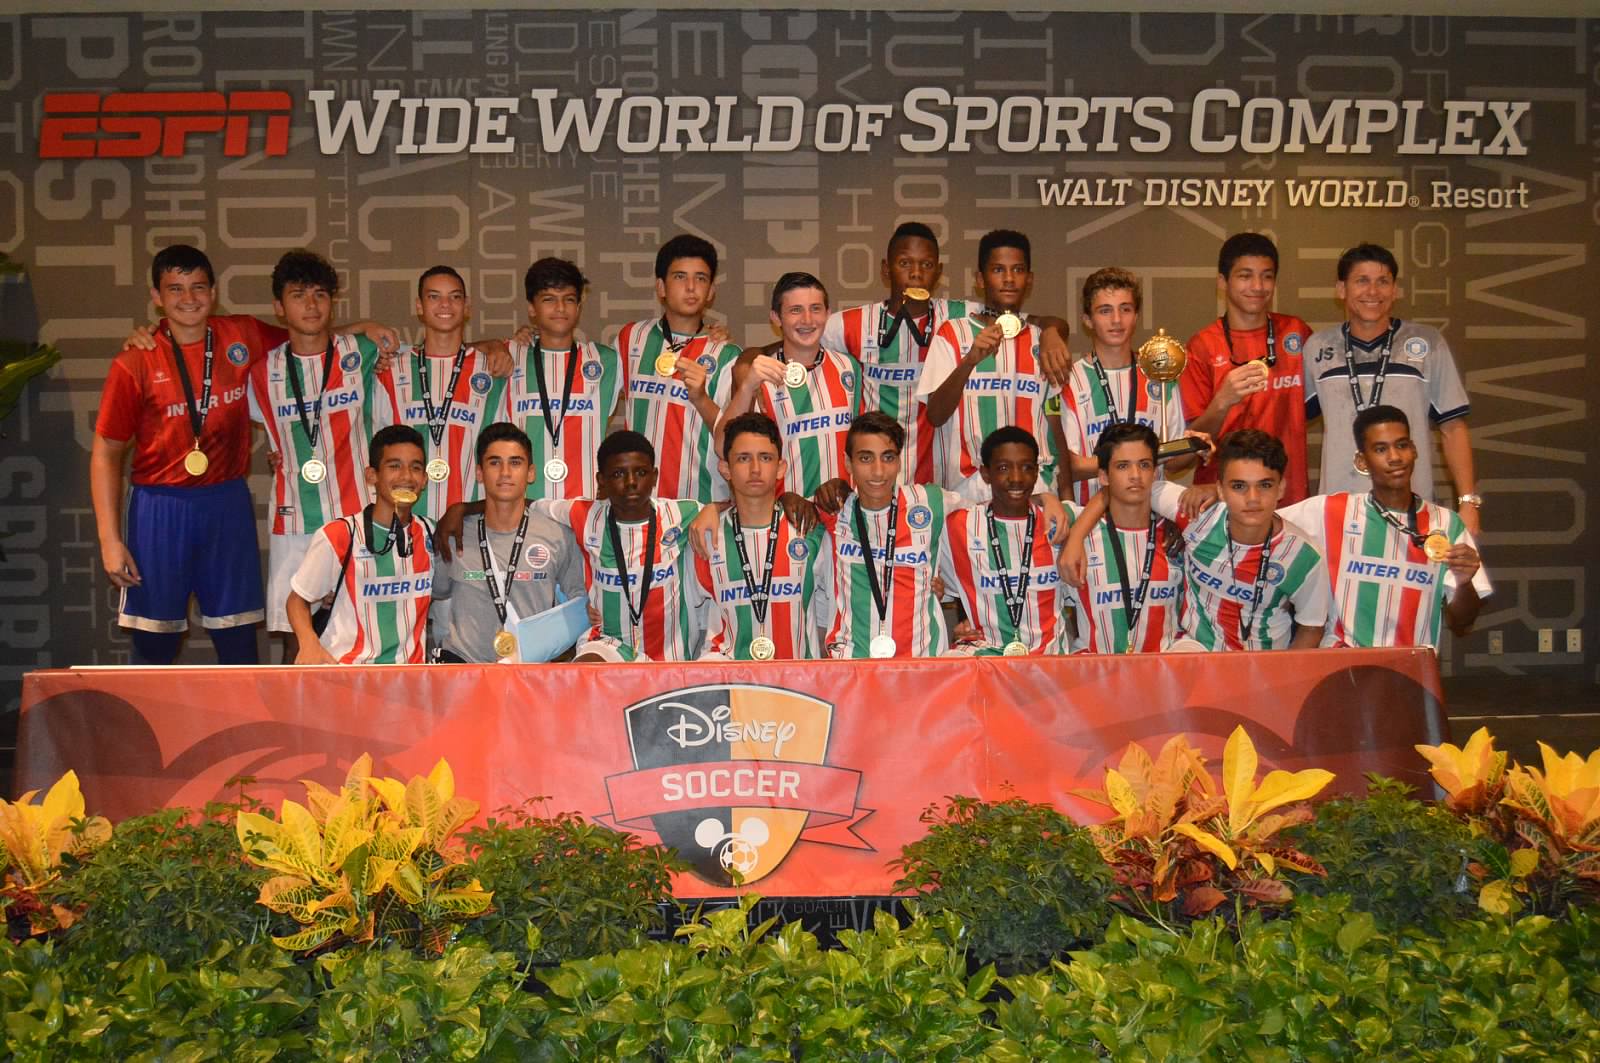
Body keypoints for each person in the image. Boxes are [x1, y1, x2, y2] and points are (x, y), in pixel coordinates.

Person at [91, 244, 290, 664]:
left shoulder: (242, 335)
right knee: (154, 645)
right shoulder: (135, 361)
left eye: (198, 287)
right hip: (159, 508)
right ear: (157, 297)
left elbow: (310, 340)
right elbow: (106, 454)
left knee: (238, 642)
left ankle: (243, 711)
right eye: (175, 289)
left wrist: (364, 329)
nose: (189, 298)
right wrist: (110, 541)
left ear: (213, 292)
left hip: (226, 503)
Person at [1061, 428, 1327, 650]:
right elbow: (1123, 489)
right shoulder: (1196, 515)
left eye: (1265, 485)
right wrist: (1076, 538)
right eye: (1238, 486)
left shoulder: (1305, 557)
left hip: (1265, 669)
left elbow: (1312, 627)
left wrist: (1286, 679)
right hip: (1195, 659)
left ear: (1281, 488)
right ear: (1221, 488)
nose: (1252, 498)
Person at [249, 249, 385, 663]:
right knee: (298, 635)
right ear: (279, 307)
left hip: (355, 514)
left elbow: (436, 351)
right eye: (298, 295)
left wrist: (492, 345)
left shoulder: (364, 352)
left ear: (332, 302)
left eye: (320, 295)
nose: (311, 305)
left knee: (362, 627)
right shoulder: (261, 373)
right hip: (294, 520)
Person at [1304, 242, 1481, 534]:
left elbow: (1453, 427)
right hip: (1340, 512)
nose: (1373, 291)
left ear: (1395, 290)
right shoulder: (1317, 348)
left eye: (1383, 281)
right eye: (1362, 281)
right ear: (1341, 289)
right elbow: (1290, 423)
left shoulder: (1428, 343)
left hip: (1412, 507)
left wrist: (1468, 502)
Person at [1278, 404, 1489, 648]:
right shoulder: (1329, 511)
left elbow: (1463, 623)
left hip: (1411, 667)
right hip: (1343, 665)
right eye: (1380, 449)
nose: (1395, 457)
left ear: (1414, 450)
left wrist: (1464, 582)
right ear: (1362, 461)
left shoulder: (1447, 524)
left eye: (1402, 445)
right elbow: (1258, 521)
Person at [532, 430, 704, 662]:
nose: (631, 482)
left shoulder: (681, 513)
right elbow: (532, 506)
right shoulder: (584, 514)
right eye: (618, 474)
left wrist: (713, 510)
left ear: (654, 476)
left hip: (670, 655)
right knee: (585, 669)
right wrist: (478, 507)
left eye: (641, 473)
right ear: (601, 480)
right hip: (607, 644)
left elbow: (728, 509)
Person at [917, 229, 1062, 499]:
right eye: (998, 270)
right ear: (980, 280)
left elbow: (1054, 421)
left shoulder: (1042, 340)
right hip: (968, 490)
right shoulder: (953, 334)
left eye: (1018, 270)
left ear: (1029, 279)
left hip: (1035, 489)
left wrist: (1065, 496)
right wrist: (969, 361)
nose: (1009, 279)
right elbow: (935, 415)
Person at [429, 422, 584, 663]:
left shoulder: (558, 535)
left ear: (530, 473)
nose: (505, 472)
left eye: (515, 462)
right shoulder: (455, 533)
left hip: (530, 671)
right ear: (479, 473)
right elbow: (429, 593)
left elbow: (580, 604)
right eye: (494, 463)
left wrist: (556, 651)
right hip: (465, 671)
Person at [1181, 233, 1313, 504]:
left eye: (1267, 276)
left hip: (1288, 497)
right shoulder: (1202, 345)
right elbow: (1190, 444)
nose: (1257, 286)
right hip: (1223, 499)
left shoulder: (1296, 333)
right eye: (1245, 276)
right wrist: (1222, 401)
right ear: (1222, 281)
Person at [286, 424, 435, 664]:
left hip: (410, 677)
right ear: (371, 475)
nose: (406, 476)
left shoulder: (431, 533)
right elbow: (297, 599)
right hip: (347, 674)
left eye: (415, 467)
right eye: (394, 466)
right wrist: (309, 642)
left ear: (425, 479)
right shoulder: (339, 535)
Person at [369, 266, 507, 524]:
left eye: (454, 297)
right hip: (404, 517)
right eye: (434, 297)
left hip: (469, 518)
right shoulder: (390, 370)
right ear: (419, 306)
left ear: (466, 306)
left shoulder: (492, 370)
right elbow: (377, 446)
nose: (445, 304)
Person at [693, 412, 833, 660]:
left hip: (799, 678)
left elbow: (828, 611)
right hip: (728, 677)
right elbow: (693, 617)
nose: (755, 469)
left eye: (765, 458)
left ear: (780, 468)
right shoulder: (706, 535)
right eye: (743, 458)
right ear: (725, 468)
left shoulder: (810, 531)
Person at [819, 411, 957, 658]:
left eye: (888, 457)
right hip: (851, 664)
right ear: (848, 463)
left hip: (922, 664)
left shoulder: (931, 501)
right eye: (865, 458)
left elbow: (990, 516)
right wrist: (788, 498)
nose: (878, 471)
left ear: (900, 461)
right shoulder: (832, 510)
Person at [617, 235, 740, 503]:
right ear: (661, 286)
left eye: (701, 278)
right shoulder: (631, 337)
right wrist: (528, 338)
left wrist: (701, 398)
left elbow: (733, 439)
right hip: (638, 503)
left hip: (700, 504)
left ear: (711, 291)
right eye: (680, 277)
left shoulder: (727, 354)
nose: (691, 287)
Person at [717, 271, 861, 498]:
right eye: (795, 310)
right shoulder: (761, 373)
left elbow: (860, 442)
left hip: (842, 510)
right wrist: (747, 387)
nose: (807, 320)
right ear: (776, 318)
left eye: (815, 309)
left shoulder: (848, 366)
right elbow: (722, 447)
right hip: (785, 512)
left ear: (828, 314)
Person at [939, 426, 1072, 656]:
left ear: (1037, 472)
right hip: (986, 659)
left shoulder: (1061, 521)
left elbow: (1109, 499)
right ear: (985, 474)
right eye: (1003, 468)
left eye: (1026, 467)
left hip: (1050, 664)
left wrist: (1049, 499)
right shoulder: (957, 526)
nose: (1016, 478)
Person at [501, 257, 626, 500]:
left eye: (568, 299)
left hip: (585, 505)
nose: (560, 308)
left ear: (578, 307)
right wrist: (492, 345)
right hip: (524, 504)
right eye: (549, 299)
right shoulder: (509, 356)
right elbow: (460, 354)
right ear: (531, 308)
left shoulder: (607, 361)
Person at [1058, 423, 1186, 654]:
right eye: (1123, 466)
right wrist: (1048, 500)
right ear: (1104, 476)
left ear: (1155, 472)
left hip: (1163, 671)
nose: (1135, 476)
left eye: (1144, 465)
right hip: (1095, 672)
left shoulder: (1179, 537)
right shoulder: (1079, 532)